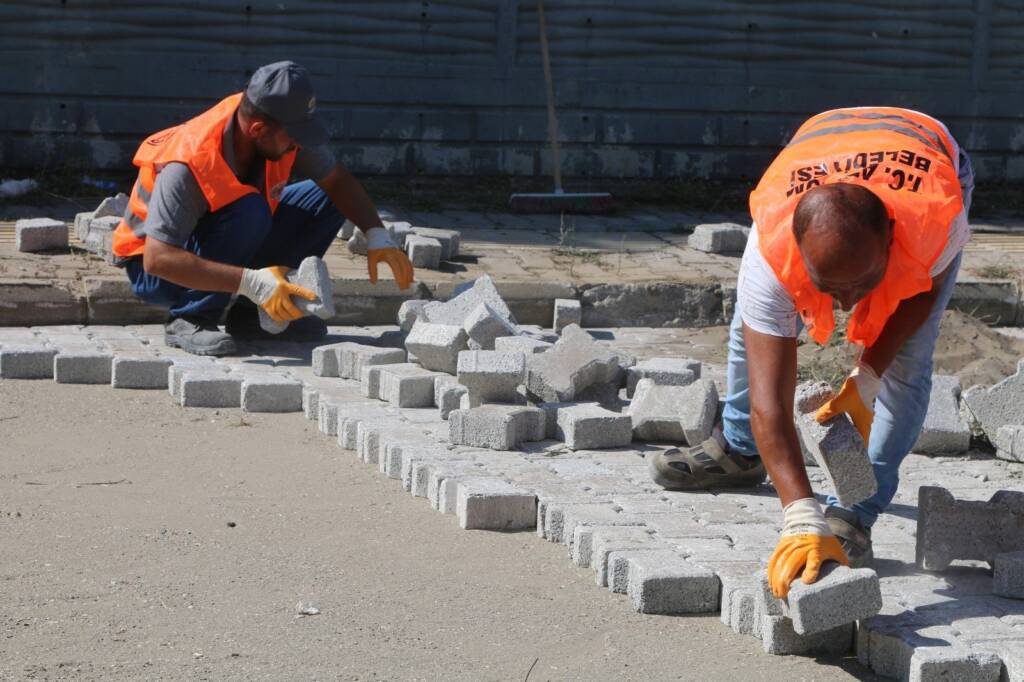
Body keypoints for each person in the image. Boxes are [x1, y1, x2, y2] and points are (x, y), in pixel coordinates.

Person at [648, 107, 974, 598]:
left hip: (929, 151)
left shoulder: (934, 220)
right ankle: (740, 450)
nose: (845, 304)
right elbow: (771, 403)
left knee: (908, 363)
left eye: (863, 283)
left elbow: (923, 295)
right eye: (828, 287)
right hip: (819, 149)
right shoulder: (769, 250)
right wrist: (799, 515)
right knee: (749, 328)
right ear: (796, 251)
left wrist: (869, 375)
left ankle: (856, 512)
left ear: (891, 239)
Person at [111, 61, 413, 356]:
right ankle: (191, 317)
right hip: (158, 270)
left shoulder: (276, 125)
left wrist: (376, 235)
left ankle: (252, 316)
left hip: (218, 237)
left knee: (323, 197)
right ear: (257, 129)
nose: (299, 145)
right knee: (250, 210)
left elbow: (336, 181)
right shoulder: (188, 163)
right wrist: (252, 282)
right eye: (294, 137)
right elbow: (158, 259)